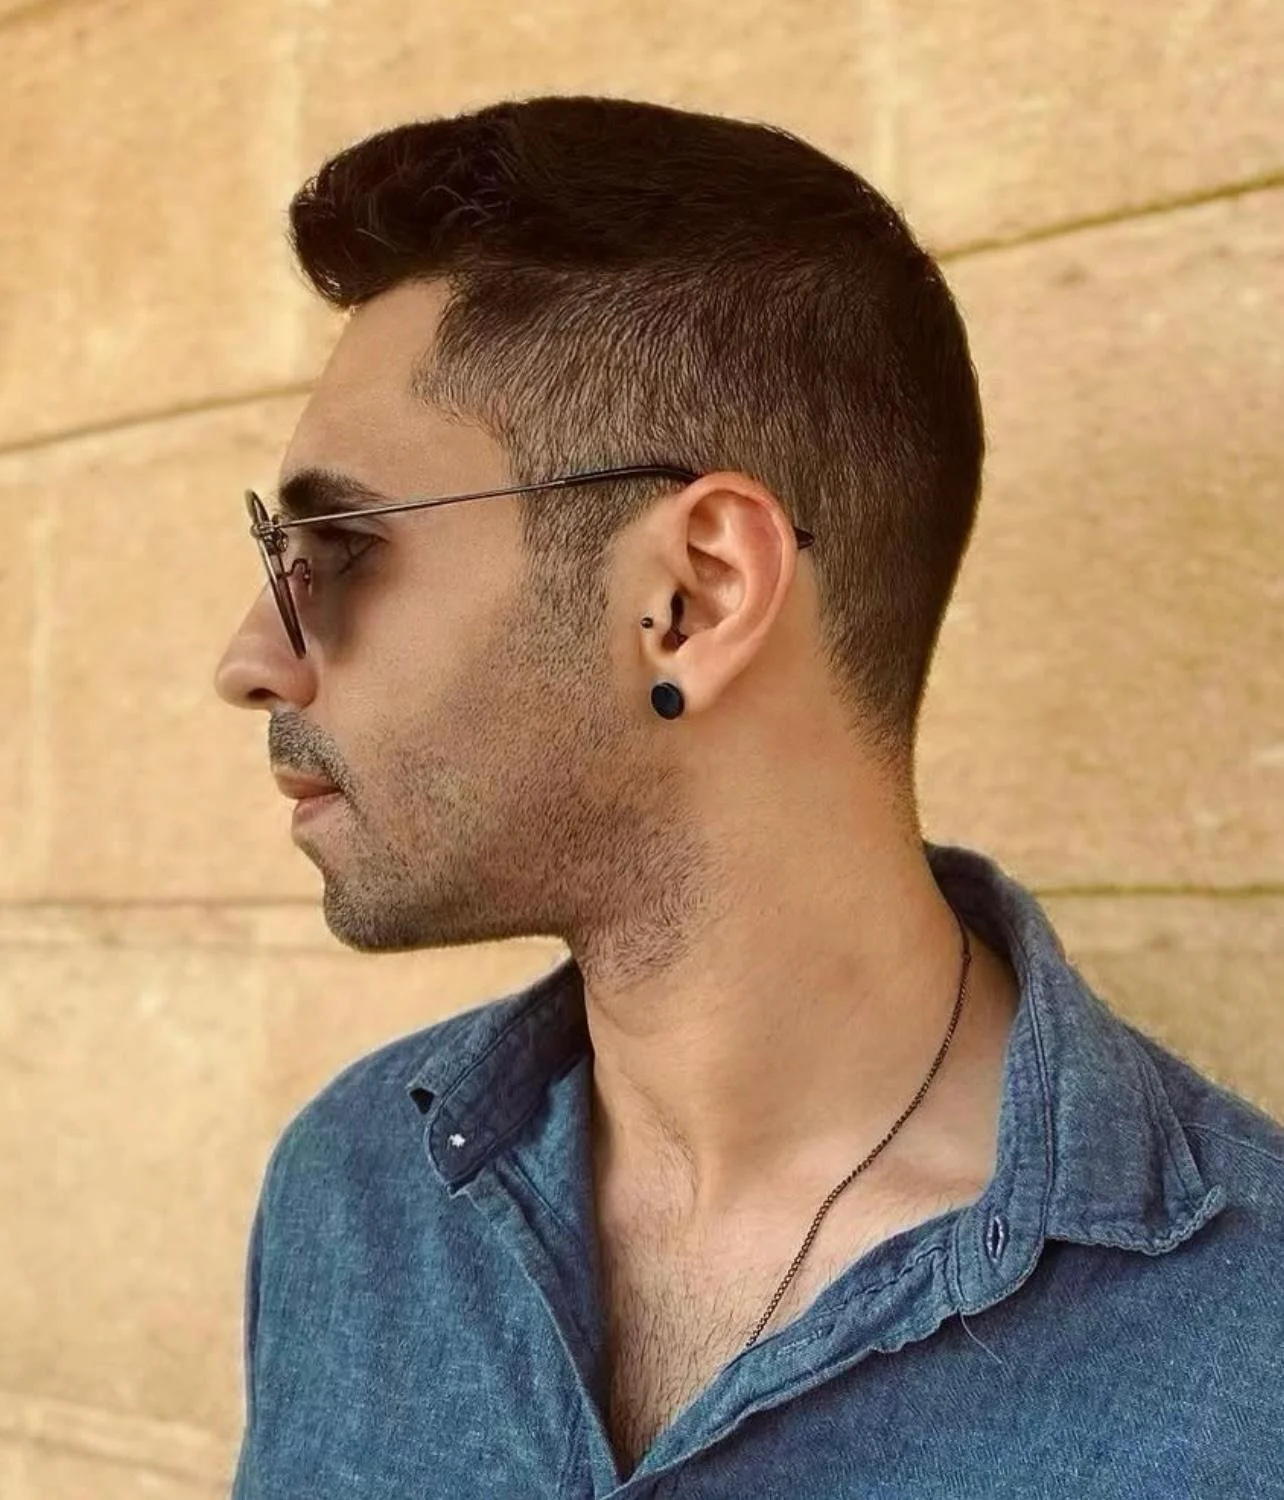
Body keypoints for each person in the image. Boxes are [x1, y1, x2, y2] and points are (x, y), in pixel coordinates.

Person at [213, 95, 1283, 1498]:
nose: (249, 661)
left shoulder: (1247, 1354)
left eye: (334, 547)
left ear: (693, 596)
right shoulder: (359, 1194)